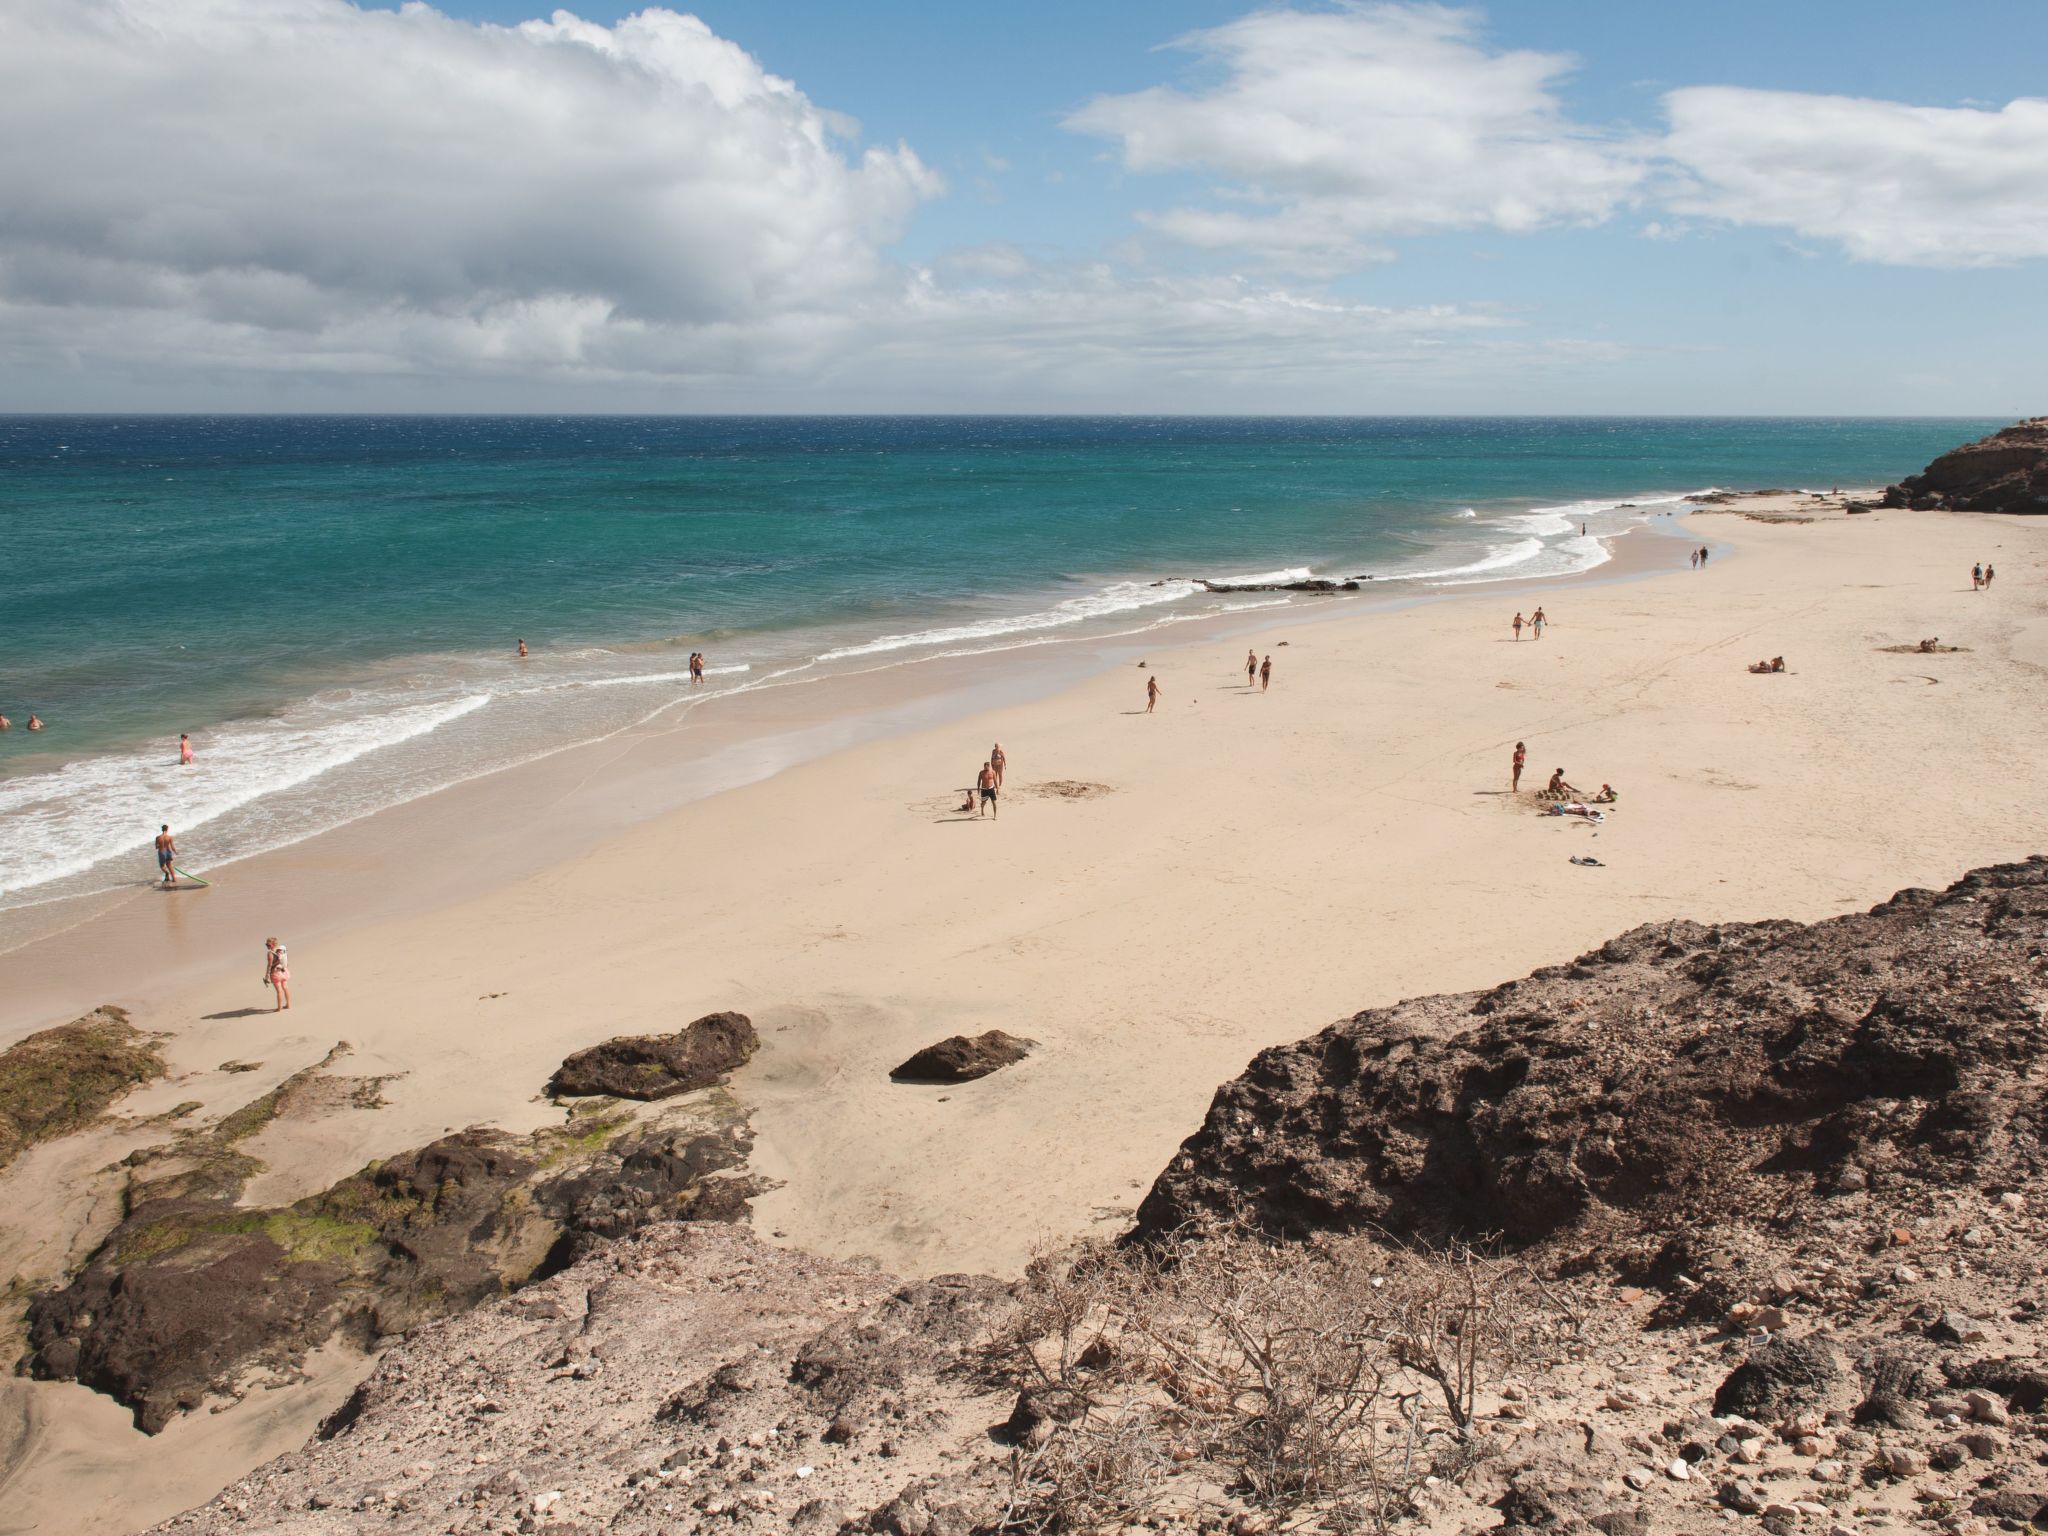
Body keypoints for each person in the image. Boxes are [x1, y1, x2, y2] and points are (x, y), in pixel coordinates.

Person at [263, 937, 292, 1012]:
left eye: (268, 945)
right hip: (284, 971)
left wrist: (267, 975)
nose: (267, 946)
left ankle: (279, 1008)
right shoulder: (281, 950)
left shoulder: (270, 953)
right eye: (266, 944)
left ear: (273, 945)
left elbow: (269, 965)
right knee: (285, 987)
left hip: (276, 973)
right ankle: (288, 1004)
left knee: (279, 991)